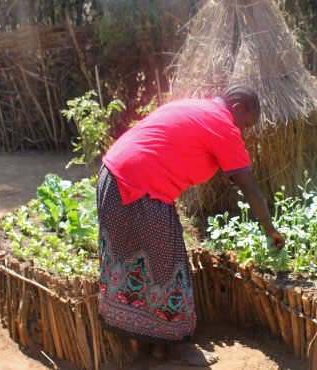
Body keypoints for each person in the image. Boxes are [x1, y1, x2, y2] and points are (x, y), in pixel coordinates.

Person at [96, 84, 285, 366]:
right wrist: (270, 228)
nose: (242, 131)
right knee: (171, 268)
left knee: (152, 266)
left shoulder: (196, 108)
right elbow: (251, 189)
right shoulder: (222, 124)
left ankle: (159, 346)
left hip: (113, 180)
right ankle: (178, 346)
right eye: (245, 124)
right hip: (137, 189)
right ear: (238, 109)